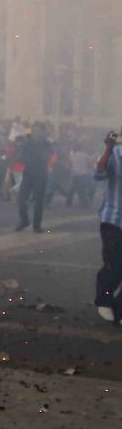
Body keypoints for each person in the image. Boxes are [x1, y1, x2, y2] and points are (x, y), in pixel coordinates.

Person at [94, 133, 122, 325]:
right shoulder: (115, 154)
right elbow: (99, 172)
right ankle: (104, 299)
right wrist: (108, 149)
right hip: (114, 219)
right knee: (114, 266)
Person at [15, 121, 54, 232]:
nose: (35, 133)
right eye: (34, 130)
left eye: (38, 130)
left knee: (38, 201)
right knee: (21, 199)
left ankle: (37, 225)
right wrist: (21, 156)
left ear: (42, 131)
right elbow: (21, 157)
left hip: (41, 174)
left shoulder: (47, 144)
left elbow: (47, 156)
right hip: (28, 173)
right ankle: (24, 220)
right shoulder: (28, 143)